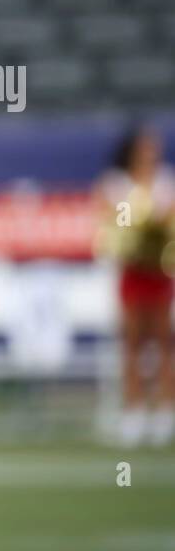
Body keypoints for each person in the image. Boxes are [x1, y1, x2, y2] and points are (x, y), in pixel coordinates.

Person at [95, 126, 175, 447]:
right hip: (132, 273)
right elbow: (111, 223)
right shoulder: (116, 184)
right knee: (132, 344)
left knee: (163, 344)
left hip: (160, 273)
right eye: (144, 149)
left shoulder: (166, 182)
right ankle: (133, 411)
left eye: (153, 149)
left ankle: (165, 411)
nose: (150, 155)